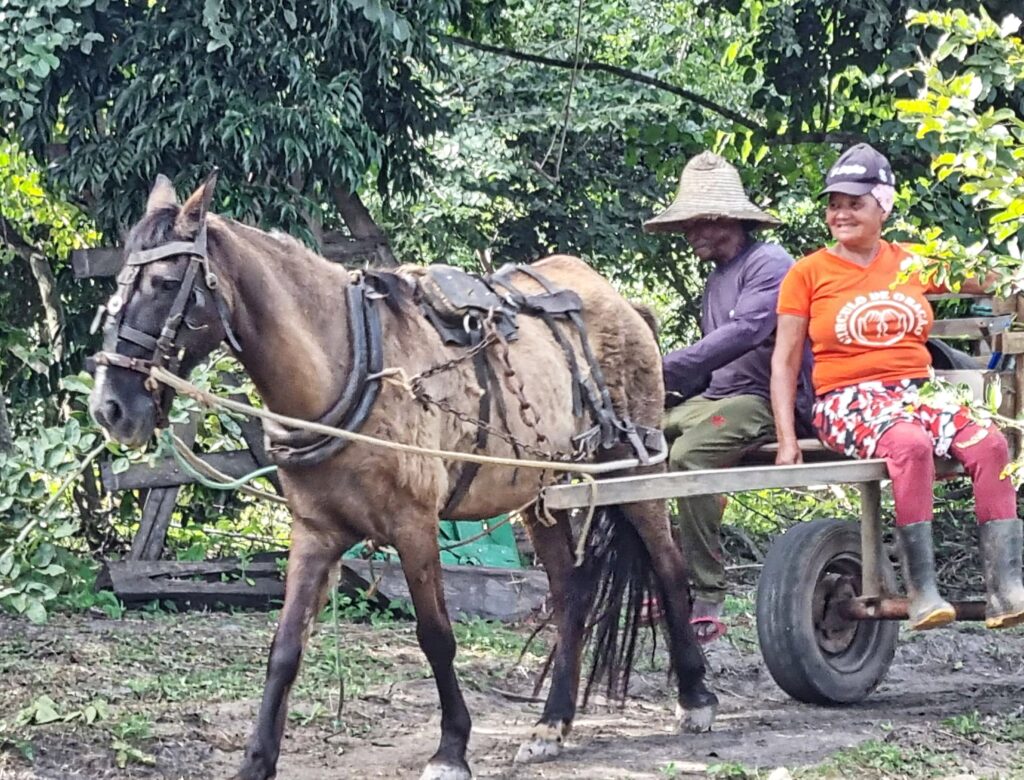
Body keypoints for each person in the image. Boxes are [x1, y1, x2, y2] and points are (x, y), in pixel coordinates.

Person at [771, 142, 1024, 631]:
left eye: (854, 202)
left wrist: (1013, 276)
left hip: (915, 391)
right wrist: (786, 439)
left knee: (990, 443)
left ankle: (1006, 588)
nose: (841, 213)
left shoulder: (911, 262)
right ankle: (922, 590)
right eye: (834, 203)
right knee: (909, 444)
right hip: (847, 400)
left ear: (882, 207)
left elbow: (991, 280)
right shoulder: (807, 273)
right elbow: (783, 362)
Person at [644, 151, 813, 641]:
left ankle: (708, 590)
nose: (692, 234)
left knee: (690, 457)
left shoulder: (769, 264)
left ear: (729, 220)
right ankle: (661, 573)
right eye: (688, 225)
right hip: (716, 398)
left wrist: (662, 366)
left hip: (762, 401)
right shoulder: (715, 278)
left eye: (702, 223)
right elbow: (706, 367)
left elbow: (741, 335)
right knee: (632, 441)